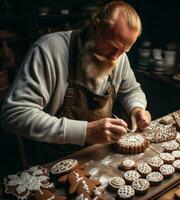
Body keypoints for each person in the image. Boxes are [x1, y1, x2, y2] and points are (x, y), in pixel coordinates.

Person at [1, 1, 151, 164]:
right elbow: (14, 115)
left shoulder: (118, 56)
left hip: (100, 155)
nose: (115, 57)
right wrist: (85, 131)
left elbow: (131, 90)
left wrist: (137, 108)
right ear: (95, 27)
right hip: (55, 158)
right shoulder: (50, 50)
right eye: (112, 46)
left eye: (123, 51)